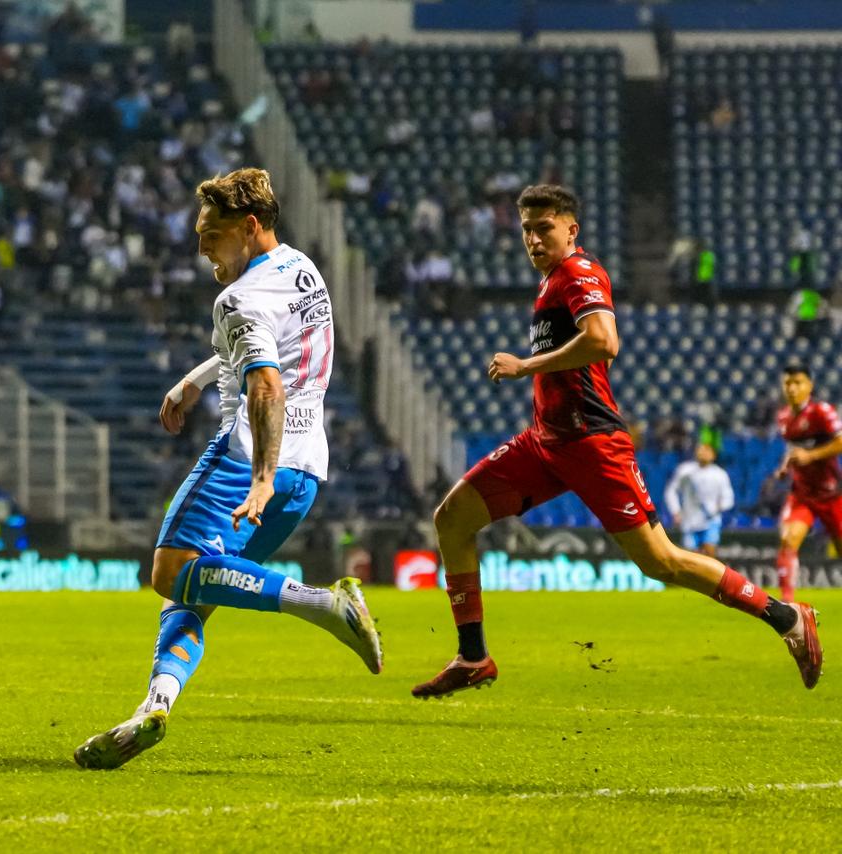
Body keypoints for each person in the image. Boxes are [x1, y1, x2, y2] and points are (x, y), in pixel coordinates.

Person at [412, 184, 821, 699]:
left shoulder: (579, 273)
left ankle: (786, 616)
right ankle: (473, 655)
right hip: (546, 443)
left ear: (571, 229)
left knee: (661, 561)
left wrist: (526, 365)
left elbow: (606, 340)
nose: (534, 239)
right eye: (526, 230)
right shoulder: (548, 284)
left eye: (544, 228)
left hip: (591, 442)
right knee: (452, 518)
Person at [73, 168, 382, 770]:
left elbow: (266, 383)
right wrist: (194, 381)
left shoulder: (237, 297)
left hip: (249, 461)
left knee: (169, 573)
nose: (201, 247)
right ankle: (153, 708)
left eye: (212, 235)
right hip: (306, 472)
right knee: (196, 592)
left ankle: (323, 604)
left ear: (248, 227)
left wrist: (260, 477)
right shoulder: (300, 267)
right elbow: (265, 347)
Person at [774, 363, 842, 603]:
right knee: (788, 539)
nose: (792, 388)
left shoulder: (822, 412)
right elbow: (793, 450)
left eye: (798, 383)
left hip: (832, 493)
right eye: (788, 383)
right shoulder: (783, 417)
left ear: (809, 386)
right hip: (802, 494)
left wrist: (810, 456)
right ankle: (789, 604)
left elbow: (840, 441)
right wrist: (785, 466)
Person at [663, 443, 734, 558]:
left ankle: (711, 576)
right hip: (690, 521)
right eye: (700, 449)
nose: (703, 453)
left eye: (707, 450)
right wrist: (675, 511)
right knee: (692, 558)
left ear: (713, 455)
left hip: (711, 520)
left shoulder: (720, 474)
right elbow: (671, 491)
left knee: (710, 554)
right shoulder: (685, 471)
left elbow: (728, 498)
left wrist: (719, 507)